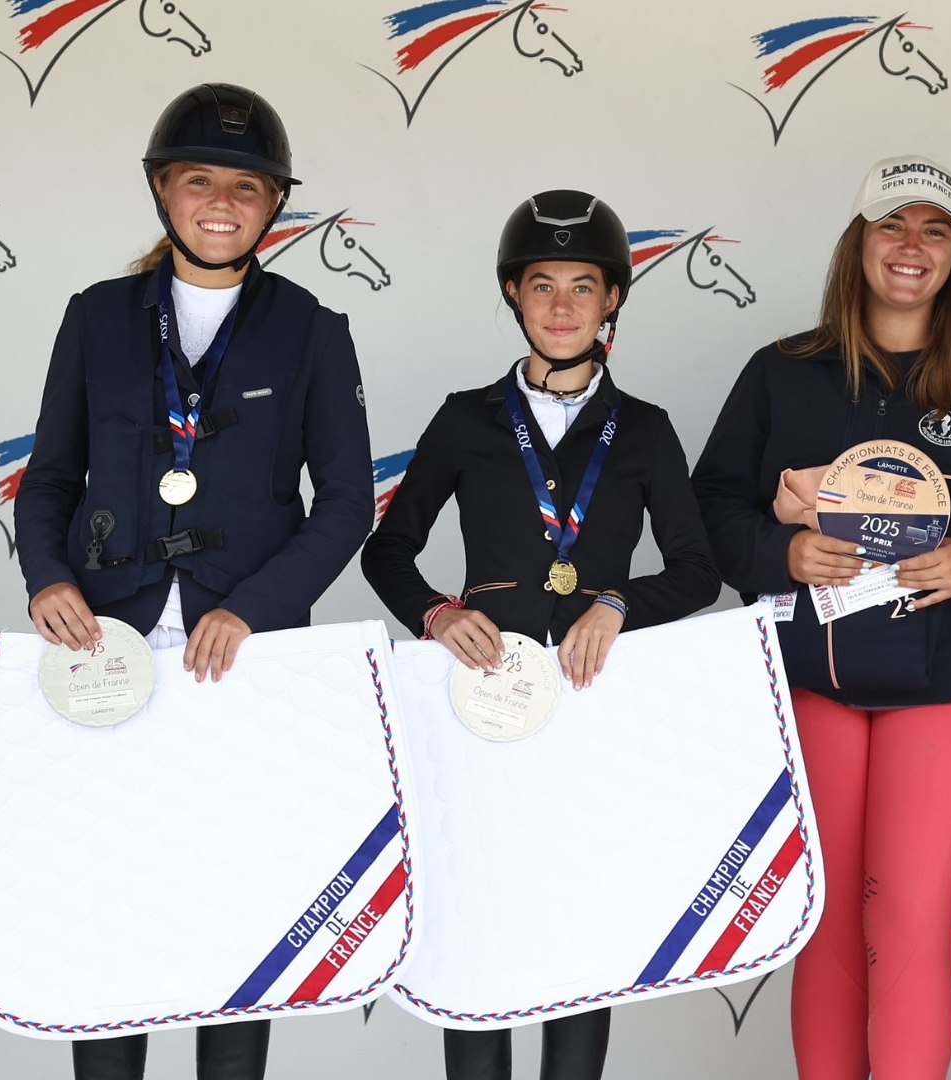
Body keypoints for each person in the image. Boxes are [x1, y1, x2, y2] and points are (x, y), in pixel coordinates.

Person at [13, 83, 375, 1080]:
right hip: (104, 652)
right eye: (199, 181)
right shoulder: (95, 319)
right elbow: (48, 479)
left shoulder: (312, 327)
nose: (222, 202)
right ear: (164, 192)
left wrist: (253, 608)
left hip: (245, 658)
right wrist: (48, 576)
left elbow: (347, 500)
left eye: (247, 188)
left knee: (231, 904)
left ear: (274, 206)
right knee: (109, 901)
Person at [691, 155, 951, 1080]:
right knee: (817, 920)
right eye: (892, 225)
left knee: (904, 925)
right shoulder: (783, 375)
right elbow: (709, 513)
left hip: (944, 686)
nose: (911, 246)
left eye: (934, 229)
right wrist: (779, 553)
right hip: (811, 680)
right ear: (857, 242)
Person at [360, 190, 720, 1079]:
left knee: (580, 927)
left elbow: (697, 569)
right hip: (482, 705)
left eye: (583, 288)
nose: (562, 307)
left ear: (614, 302)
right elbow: (388, 551)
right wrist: (438, 614)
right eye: (543, 286)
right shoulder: (465, 419)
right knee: (477, 921)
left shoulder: (644, 430)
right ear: (515, 297)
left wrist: (619, 604)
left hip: (594, 706)